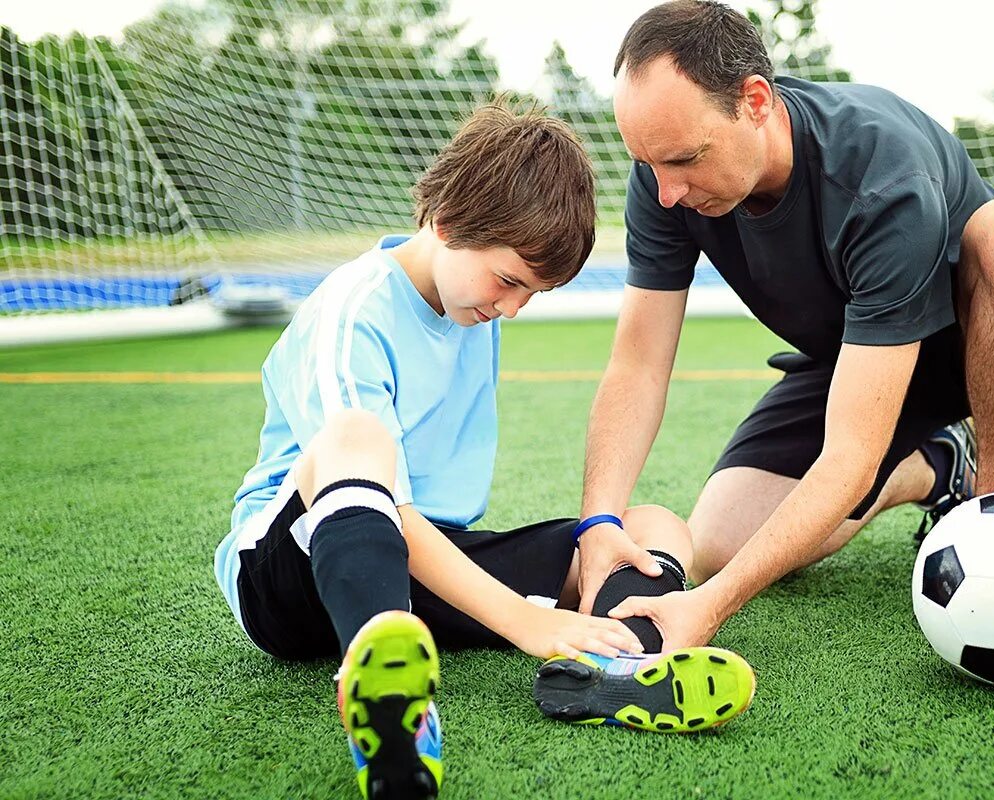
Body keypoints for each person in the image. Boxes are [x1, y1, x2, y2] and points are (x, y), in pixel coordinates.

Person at [213, 102, 755, 800]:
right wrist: (527, 619)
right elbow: (378, 497)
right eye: (509, 281)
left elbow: (431, 530)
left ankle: (615, 669)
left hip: (431, 559)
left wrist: (592, 547)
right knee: (356, 437)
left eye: (532, 293)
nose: (513, 309)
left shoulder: (472, 305)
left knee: (645, 527)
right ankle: (388, 696)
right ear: (445, 222)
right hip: (298, 574)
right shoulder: (352, 311)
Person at [576, 1, 994, 651]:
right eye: (649, 163)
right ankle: (936, 466)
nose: (667, 190)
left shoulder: (879, 173)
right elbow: (638, 364)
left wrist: (709, 609)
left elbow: (848, 459)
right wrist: (598, 519)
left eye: (683, 159)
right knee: (721, 542)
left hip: (973, 346)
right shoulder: (662, 183)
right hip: (855, 354)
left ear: (755, 101)